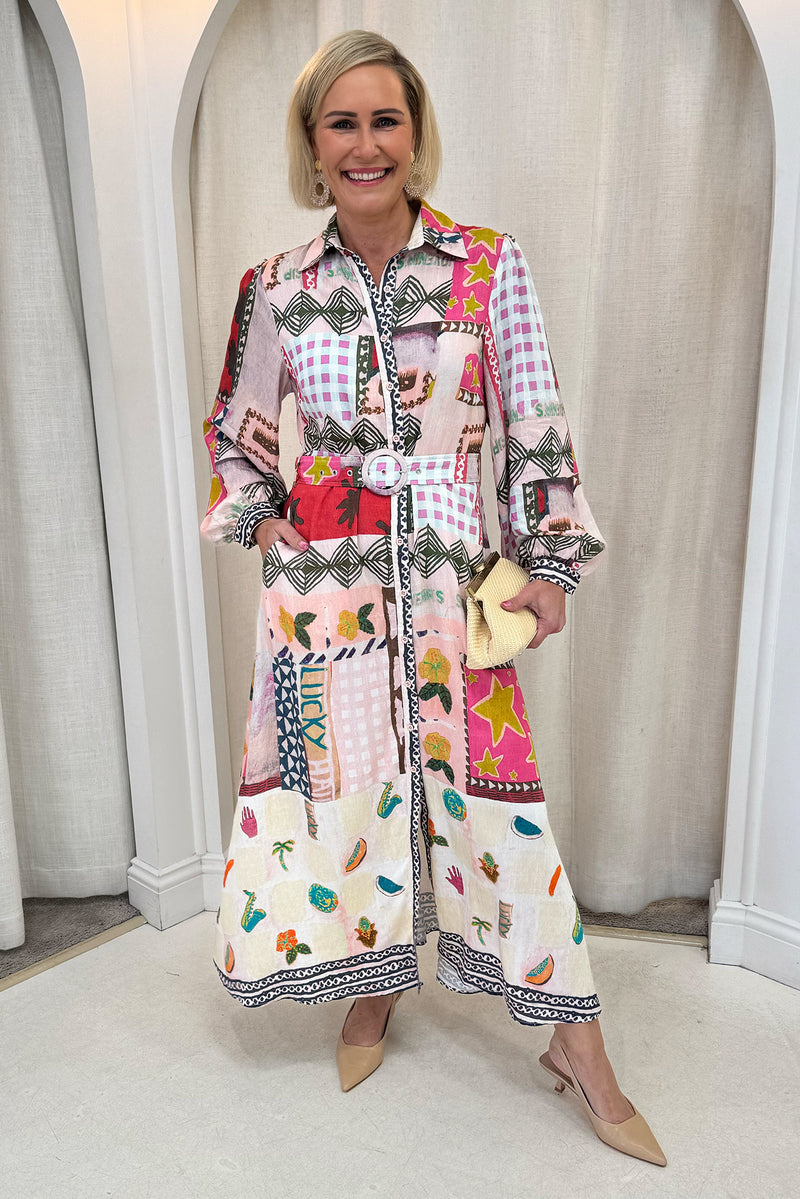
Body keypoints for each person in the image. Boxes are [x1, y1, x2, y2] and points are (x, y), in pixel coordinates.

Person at [200, 29, 666, 1167]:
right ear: (313, 144)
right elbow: (237, 432)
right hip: (331, 601)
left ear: (415, 135)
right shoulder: (276, 287)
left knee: (496, 804)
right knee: (349, 795)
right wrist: (265, 521)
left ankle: (577, 1044)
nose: (365, 145)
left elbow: (533, 416)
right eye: (341, 123)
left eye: (385, 120)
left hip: (455, 588)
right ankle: (373, 986)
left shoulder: (484, 265)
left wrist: (546, 558)